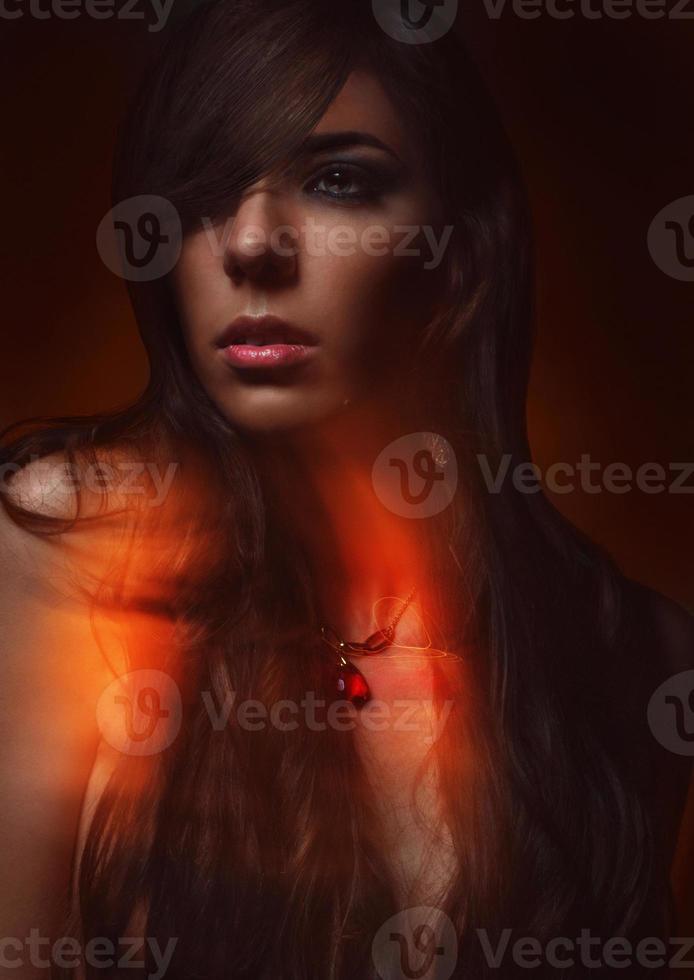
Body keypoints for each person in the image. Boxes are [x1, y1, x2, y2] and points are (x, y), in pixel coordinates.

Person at [1, 1, 692, 977]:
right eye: (202, 193)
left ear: (460, 259)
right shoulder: (68, 542)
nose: (250, 243)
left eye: (336, 181)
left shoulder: (629, 655)